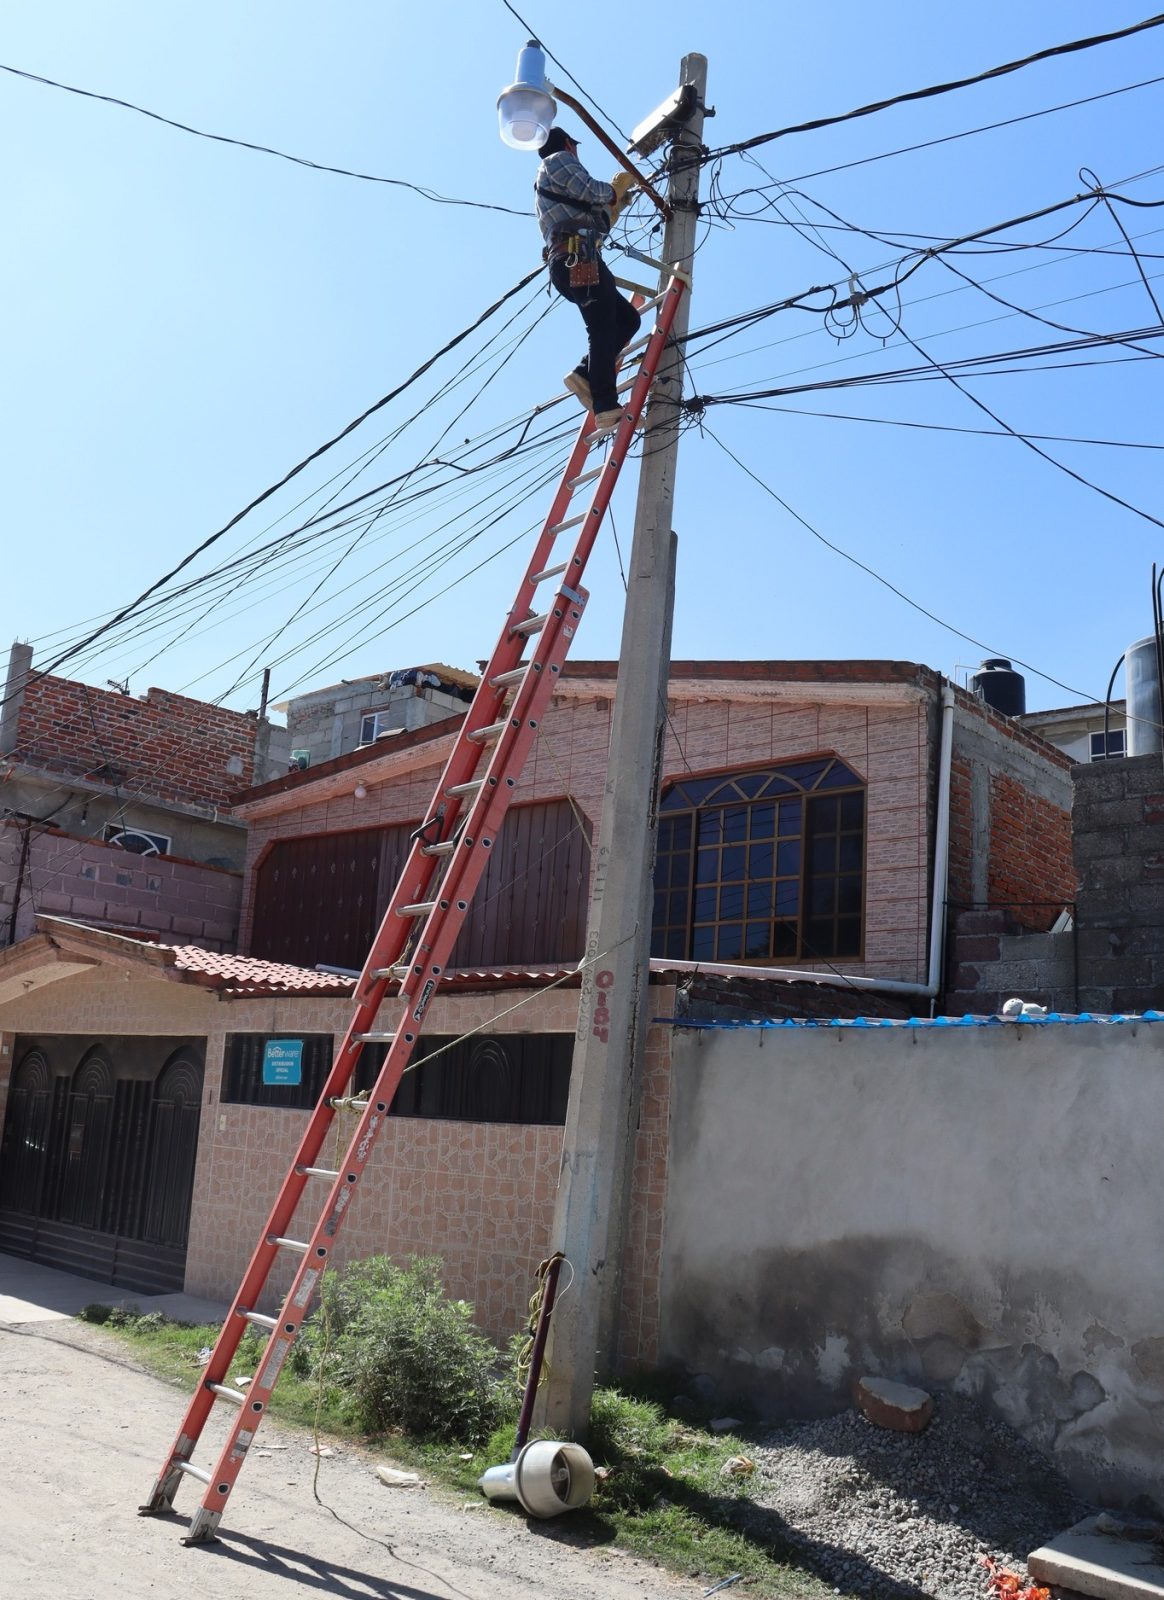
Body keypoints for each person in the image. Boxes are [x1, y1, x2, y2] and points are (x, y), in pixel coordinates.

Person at [534, 127, 640, 431]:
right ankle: (605, 406)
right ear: (569, 144)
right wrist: (612, 190)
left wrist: (612, 206)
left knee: (628, 320)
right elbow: (592, 191)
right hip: (577, 256)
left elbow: (593, 213)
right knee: (602, 326)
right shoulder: (558, 159)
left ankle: (584, 373)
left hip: (572, 258)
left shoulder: (550, 180)